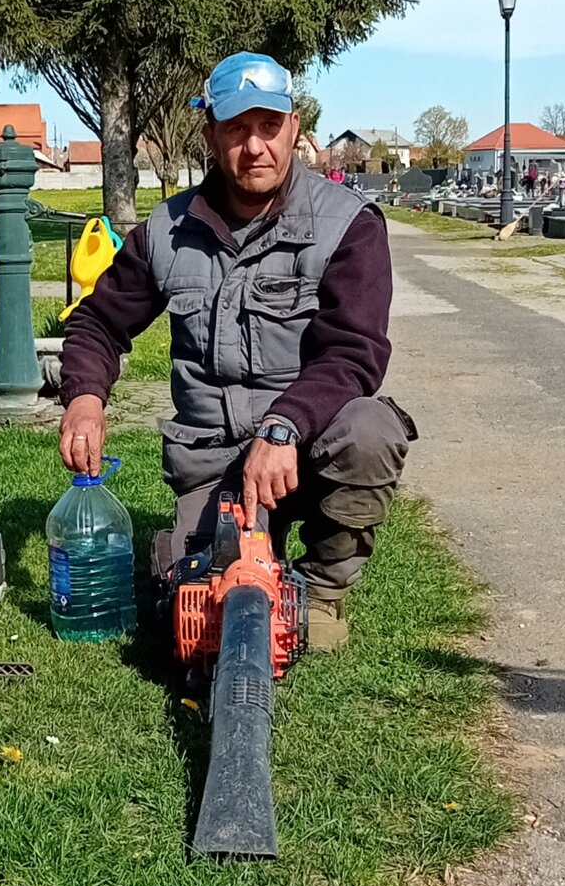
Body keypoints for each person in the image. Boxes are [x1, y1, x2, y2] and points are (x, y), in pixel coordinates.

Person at [58, 52, 414, 651]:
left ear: (294, 128)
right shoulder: (166, 231)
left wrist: (283, 427)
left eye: (269, 126)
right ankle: (209, 548)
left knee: (371, 430)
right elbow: (98, 320)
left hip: (306, 448)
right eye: (236, 128)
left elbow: (354, 353)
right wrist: (85, 397)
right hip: (212, 458)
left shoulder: (349, 225)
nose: (255, 146)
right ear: (211, 135)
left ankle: (320, 590)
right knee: (192, 617)